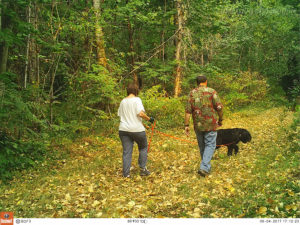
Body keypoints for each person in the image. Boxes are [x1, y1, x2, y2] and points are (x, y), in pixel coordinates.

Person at [184, 75, 223, 177]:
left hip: (198, 125)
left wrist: (186, 125)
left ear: (197, 83)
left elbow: (188, 111)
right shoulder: (212, 91)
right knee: (210, 145)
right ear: (206, 81)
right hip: (211, 124)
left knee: (202, 146)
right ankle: (204, 167)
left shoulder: (192, 93)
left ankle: (205, 167)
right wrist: (220, 119)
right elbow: (219, 107)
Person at [118, 83, 154, 178]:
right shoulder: (137, 100)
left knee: (127, 151)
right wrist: (149, 119)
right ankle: (143, 169)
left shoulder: (122, 101)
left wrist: (144, 125)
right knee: (143, 147)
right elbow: (140, 114)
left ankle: (126, 174)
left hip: (123, 130)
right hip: (137, 130)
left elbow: (125, 116)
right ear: (136, 91)